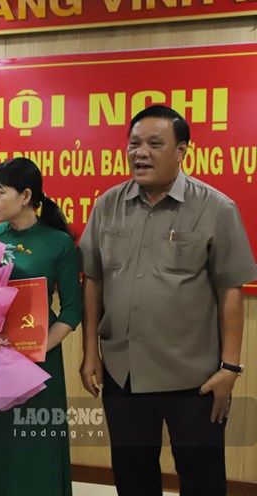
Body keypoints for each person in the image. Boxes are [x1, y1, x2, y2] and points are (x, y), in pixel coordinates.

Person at [78, 105, 257, 496]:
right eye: (135, 144)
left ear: (182, 151)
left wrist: (230, 368)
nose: (141, 153)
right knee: (132, 475)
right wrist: (90, 352)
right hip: (123, 372)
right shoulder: (107, 204)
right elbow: (93, 280)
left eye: (155, 144)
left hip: (194, 377)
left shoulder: (216, 208)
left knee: (202, 478)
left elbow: (230, 290)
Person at [0, 157, 81, 496]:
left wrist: (35, 349)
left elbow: (71, 310)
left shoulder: (59, 243)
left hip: (38, 361)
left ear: (25, 195)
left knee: (34, 443)